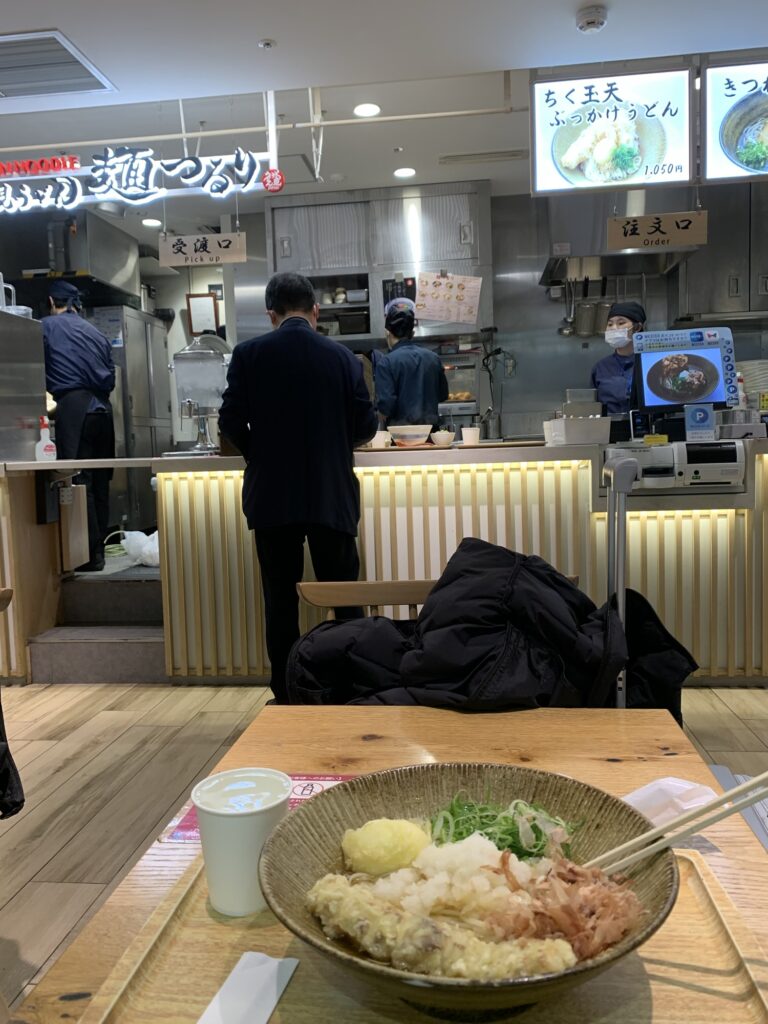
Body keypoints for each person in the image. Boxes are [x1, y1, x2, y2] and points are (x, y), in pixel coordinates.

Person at [218, 272, 378, 704]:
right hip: (332, 493)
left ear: (271, 314)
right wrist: (334, 446)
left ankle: (288, 693)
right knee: (344, 597)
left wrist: (260, 455)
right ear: (315, 311)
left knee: (280, 601)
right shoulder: (344, 358)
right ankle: (347, 688)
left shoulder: (248, 354)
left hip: (272, 497)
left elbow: (229, 422)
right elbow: (366, 426)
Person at [42, 281, 116, 572]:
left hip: (74, 409)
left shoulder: (46, 327)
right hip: (104, 410)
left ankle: (86, 556)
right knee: (100, 481)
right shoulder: (96, 332)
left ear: (52, 302)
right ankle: (99, 554)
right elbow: (110, 376)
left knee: (79, 481)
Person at [375, 298, 448, 427]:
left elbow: (387, 406)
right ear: (413, 333)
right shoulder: (433, 358)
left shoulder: (386, 363)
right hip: (430, 434)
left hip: (400, 436)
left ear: (388, 333)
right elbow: (443, 395)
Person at [589, 301, 646, 415]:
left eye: (621, 323)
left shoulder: (648, 362)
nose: (614, 328)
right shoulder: (600, 367)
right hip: (610, 425)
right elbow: (593, 408)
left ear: (637, 327)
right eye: (610, 324)